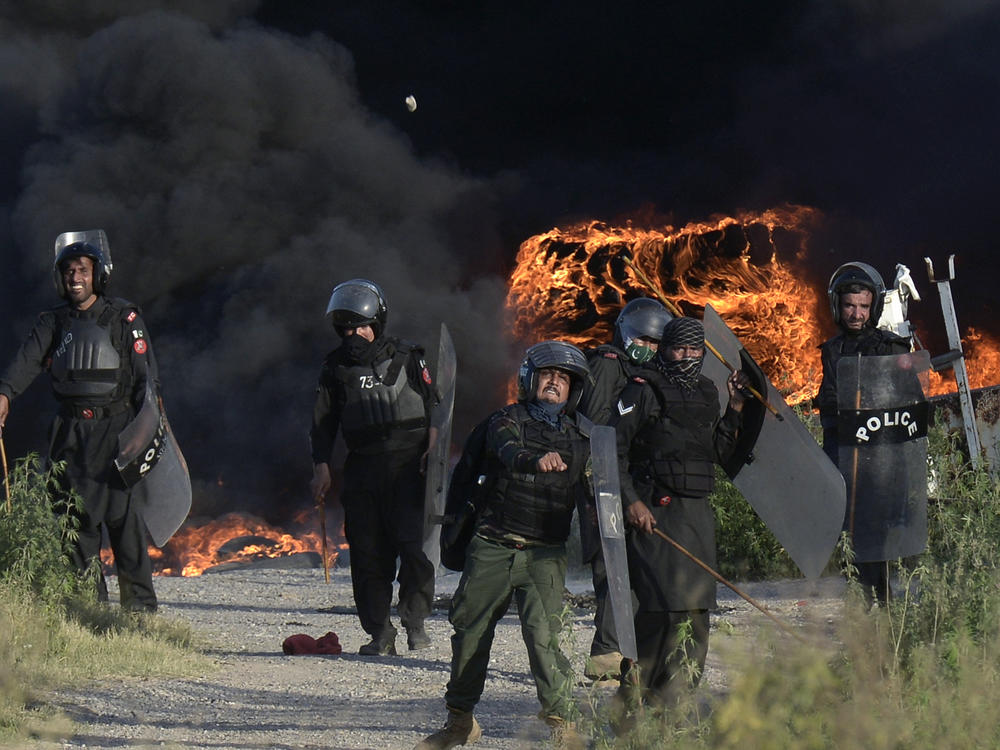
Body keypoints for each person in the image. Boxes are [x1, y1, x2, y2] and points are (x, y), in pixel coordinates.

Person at [415, 341, 593, 750]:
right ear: (531, 379)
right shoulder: (504, 421)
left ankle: (562, 725)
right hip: (493, 545)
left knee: (544, 636)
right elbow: (510, 451)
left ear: (573, 389)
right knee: (470, 633)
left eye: (563, 378)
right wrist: (535, 460)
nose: (554, 383)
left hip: (544, 554)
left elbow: (600, 491)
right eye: (547, 374)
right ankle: (460, 721)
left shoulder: (582, 439)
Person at [0, 230, 159, 611]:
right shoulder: (52, 323)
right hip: (70, 434)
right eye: (69, 271)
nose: (75, 278)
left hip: (118, 430)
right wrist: (4, 393)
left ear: (97, 275)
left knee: (125, 526)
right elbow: (25, 362)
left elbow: (146, 380)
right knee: (75, 521)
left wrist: (145, 431)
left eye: (82, 270)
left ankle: (139, 613)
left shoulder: (125, 318)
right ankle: (86, 609)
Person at [609, 316, 749, 710]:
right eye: (679, 349)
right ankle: (630, 709)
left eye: (695, 351)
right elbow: (611, 449)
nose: (687, 357)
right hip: (654, 511)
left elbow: (719, 454)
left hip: (696, 514)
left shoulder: (706, 391)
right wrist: (631, 501)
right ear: (664, 349)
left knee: (695, 612)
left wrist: (735, 406)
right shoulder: (641, 389)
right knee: (660, 613)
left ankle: (673, 707)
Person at [310, 278, 439, 656]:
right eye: (346, 328)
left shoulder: (409, 356)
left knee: (414, 549)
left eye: (360, 326)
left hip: (409, 466)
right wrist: (321, 467)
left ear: (376, 324)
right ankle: (380, 632)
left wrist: (432, 454)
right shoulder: (334, 368)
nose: (354, 334)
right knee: (368, 554)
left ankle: (414, 620)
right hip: (363, 467)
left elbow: (436, 409)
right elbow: (322, 423)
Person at [576, 297, 671, 682]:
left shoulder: (642, 373)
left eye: (654, 343)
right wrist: (601, 484)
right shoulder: (607, 364)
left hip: (629, 479)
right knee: (611, 565)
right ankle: (606, 653)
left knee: (630, 566)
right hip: (603, 479)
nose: (646, 348)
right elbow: (596, 430)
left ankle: (622, 652)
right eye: (641, 340)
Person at [814, 262, 910, 606]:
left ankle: (886, 612)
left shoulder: (892, 349)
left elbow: (907, 408)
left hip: (882, 465)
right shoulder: (831, 352)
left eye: (864, 306)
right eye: (850, 305)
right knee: (851, 545)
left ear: (874, 308)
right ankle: (863, 612)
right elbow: (828, 412)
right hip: (845, 462)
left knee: (881, 546)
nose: (856, 314)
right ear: (838, 306)